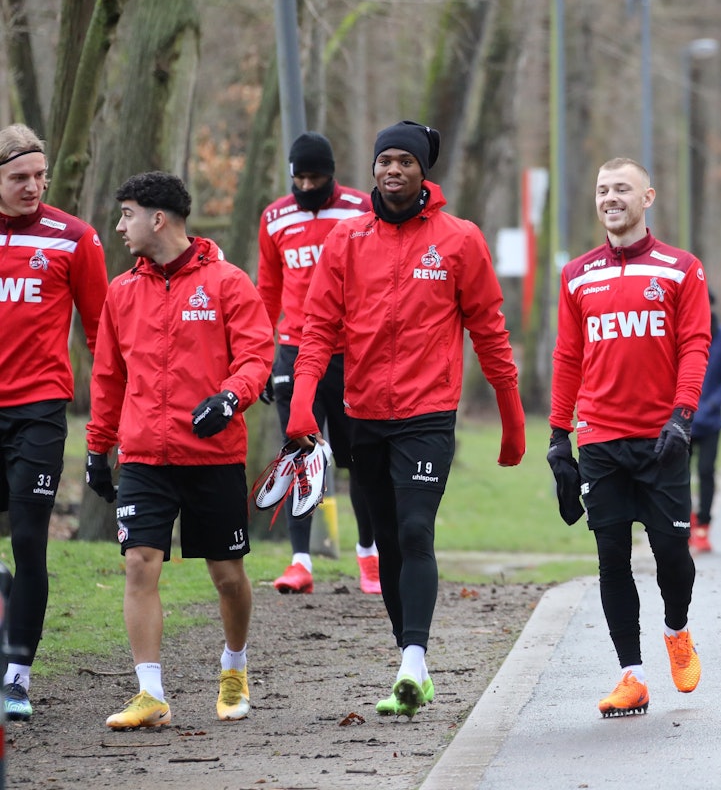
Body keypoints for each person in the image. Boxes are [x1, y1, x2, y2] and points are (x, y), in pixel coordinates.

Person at [285, 121, 525, 718]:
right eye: (383, 161)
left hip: (427, 415)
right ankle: (409, 656)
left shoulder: (459, 240)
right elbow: (317, 332)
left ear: (424, 171)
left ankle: (413, 662)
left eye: (404, 162)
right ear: (372, 170)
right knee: (387, 540)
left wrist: (511, 415)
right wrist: (300, 404)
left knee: (416, 530)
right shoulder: (346, 241)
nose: (393, 170)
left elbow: (490, 332)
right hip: (362, 414)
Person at [85, 171, 274, 729]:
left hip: (213, 456)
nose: (120, 226)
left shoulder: (228, 282)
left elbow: (257, 358)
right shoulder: (121, 292)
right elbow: (107, 378)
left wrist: (230, 398)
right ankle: (150, 694)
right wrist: (99, 448)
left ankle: (234, 668)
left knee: (227, 576)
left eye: (127, 215)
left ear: (157, 218)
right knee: (140, 566)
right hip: (144, 455)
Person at [548, 157, 710, 718]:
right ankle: (631, 676)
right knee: (611, 555)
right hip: (599, 440)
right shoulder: (576, 274)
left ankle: (677, 629)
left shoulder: (681, 269)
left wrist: (681, 416)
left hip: (662, 438)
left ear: (648, 198)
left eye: (622, 189)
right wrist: (557, 437)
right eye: (602, 190)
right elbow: (568, 356)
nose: (610, 197)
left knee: (672, 555)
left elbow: (695, 345)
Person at [0, 123, 108, 721]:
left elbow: (102, 335)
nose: (33, 187)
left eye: (39, 176)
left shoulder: (75, 238)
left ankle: (17, 676)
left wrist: (114, 415)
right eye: (19, 178)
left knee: (28, 541)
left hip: (39, 408)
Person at [257, 132, 381, 595]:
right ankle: (300, 561)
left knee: (358, 461)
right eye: (300, 176)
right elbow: (267, 290)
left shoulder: (358, 209)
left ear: (331, 174)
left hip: (350, 352)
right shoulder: (274, 217)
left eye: (316, 176)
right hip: (294, 348)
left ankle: (369, 556)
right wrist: (263, 355)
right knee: (300, 457)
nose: (307, 184)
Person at [688, 288, 721, 553]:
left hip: (710, 422)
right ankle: (685, 523)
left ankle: (704, 526)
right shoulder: (678, 333)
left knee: (707, 472)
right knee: (677, 476)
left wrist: (711, 403)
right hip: (681, 421)